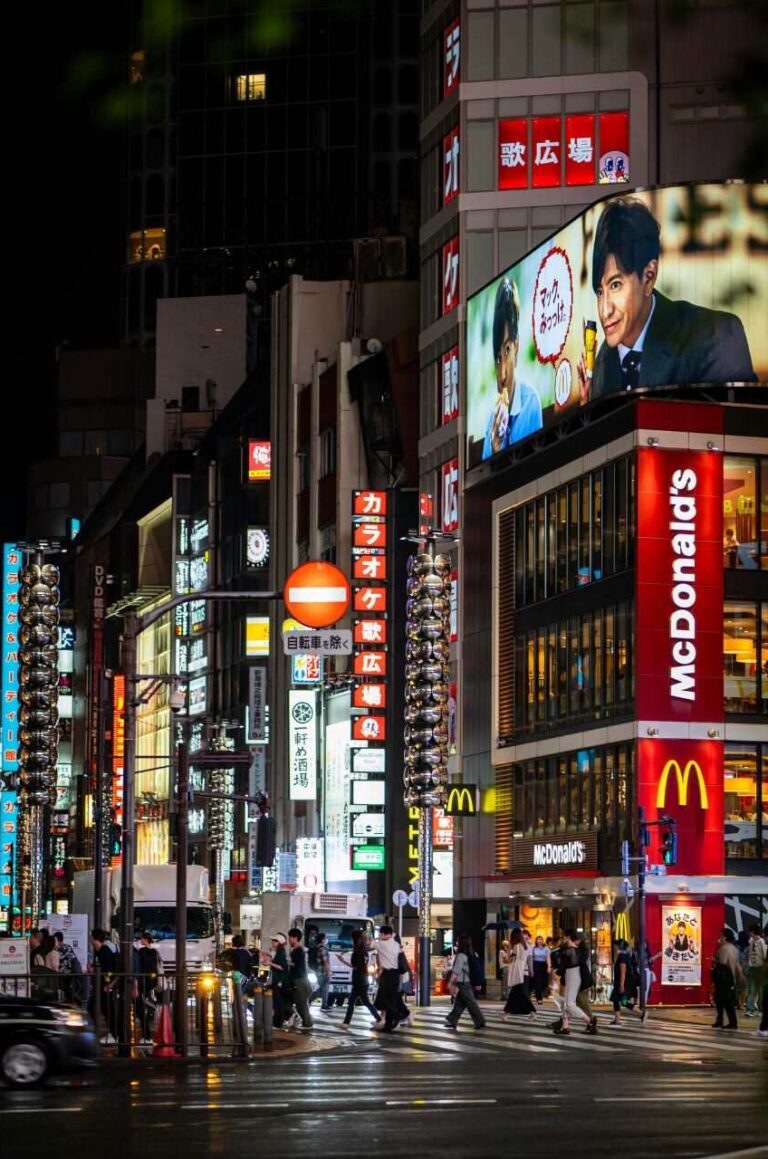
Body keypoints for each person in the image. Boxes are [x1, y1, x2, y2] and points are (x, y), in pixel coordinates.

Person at [578, 196, 755, 404]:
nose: (604, 310)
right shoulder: (603, 361)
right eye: (600, 291)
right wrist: (587, 410)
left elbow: (739, 426)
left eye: (616, 285)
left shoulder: (718, 337)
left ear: (648, 276)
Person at [482, 278, 542, 460]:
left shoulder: (531, 403)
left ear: (517, 346)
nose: (502, 375)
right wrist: (494, 449)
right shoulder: (492, 422)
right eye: (497, 359)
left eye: (507, 350)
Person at [338, 928, 383, 1030]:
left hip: (359, 980)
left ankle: (346, 1023)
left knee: (352, 1002)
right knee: (364, 1002)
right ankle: (379, 1019)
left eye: (352, 939)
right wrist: (342, 960)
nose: (351, 941)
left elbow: (355, 966)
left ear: (355, 939)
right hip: (363, 979)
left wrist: (343, 960)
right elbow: (356, 966)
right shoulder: (363, 951)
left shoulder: (358, 952)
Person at [554, 929, 595, 1037]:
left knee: (570, 1004)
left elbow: (564, 965)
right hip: (572, 975)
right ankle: (565, 1026)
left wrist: (557, 974)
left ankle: (589, 1021)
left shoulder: (571, 950)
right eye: (579, 940)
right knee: (566, 1003)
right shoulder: (573, 949)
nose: (580, 942)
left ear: (570, 938)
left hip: (572, 975)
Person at [444, 934, 486, 1031]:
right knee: (460, 1003)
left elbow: (456, 972)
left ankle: (480, 1021)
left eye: (458, 942)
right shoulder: (472, 954)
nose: (457, 944)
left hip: (464, 983)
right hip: (469, 982)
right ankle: (452, 1020)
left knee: (471, 1003)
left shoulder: (460, 956)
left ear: (461, 944)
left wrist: (451, 983)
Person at [89, 928, 119, 1043]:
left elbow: (110, 971)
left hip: (105, 988)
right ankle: (93, 1033)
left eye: (92, 937)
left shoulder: (105, 951)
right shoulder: (99, 951)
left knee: (108, 1011)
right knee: (92, 1009)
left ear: (95, 939)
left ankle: (115, 1035)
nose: (90, 939)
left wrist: (109, 985)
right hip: (99, 987)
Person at [712, 927, 744, 1030]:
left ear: (725, 937)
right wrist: (741, 975)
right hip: (731, 978)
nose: (719, 938)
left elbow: (723, 962)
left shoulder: (724, 948)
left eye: (721, 935)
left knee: (723, 1001)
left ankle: (729, 1022)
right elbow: (737, 964)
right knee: (725, 1001)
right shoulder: (734, 948)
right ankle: (723, 1020)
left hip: (723, 978)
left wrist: (714, 960)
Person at [373, 924, 403, 1032]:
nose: (380, 935)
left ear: (383, 934)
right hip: (395, 974)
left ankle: (396, 1013)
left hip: (386, 974)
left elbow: (368, 943)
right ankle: (388, 1026)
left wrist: (378, 938)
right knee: (391, 999)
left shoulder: (381, 944)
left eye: (381, 934)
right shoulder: (396, 944)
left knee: (381, 999)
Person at [502, 929, 536, 1020]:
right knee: (517, 993)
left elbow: (511, 960)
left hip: (519, 973)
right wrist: (531, 970)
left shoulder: (516, 946)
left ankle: (506, 1013)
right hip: (524, 972)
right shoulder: (526, 946)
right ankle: (506, 1013)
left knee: (520, 993)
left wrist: (508, 953)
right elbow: (529, 959)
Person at [136, 932, 163, 1044]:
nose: (140, 940)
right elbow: (158, 967)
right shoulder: (155, 952)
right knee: (147, 1001)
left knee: (140, 1005)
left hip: (142, 981)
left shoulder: (141, 951)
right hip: (151, 981)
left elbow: (139, 965)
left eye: (141, 938)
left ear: (145, 939)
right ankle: (150, 1011)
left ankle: (146, 1036)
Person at [286, 928, 313, 1029]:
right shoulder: (298, 950)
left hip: (299, 980)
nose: (289, 941)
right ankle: (306, 1022)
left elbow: (297, 965)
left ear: (295, 938)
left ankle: (308, 1023)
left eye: (290, 938)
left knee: (301, 1003)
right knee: (299, 1003)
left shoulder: (299, 950)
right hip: (298, 979)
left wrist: (287, 962)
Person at [261, 933, 289, 1029]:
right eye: (273, 940)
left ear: (280, 942)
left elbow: (282, 967)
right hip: (277, 980)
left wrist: (269, 963)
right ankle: (277, 1021)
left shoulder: (281, 952)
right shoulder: (279, 951)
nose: (273, 942)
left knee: (278, 1003)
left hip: (279, 981)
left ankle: (278, 1022)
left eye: (275, 940)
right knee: (276, 1002)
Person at [608, 938, 636, 1027]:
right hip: (621, 983)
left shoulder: (622, 957)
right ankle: (641, 1014)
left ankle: (617, 1020)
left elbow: (623, 971)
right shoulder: (625, 956)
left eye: (616, 946)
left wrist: (621, 985)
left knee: (616, 1000)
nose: (614, 948)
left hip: (621, 983)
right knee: (623, 1002)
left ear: (619, 947)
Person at [54, 930, 85, 1004]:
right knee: (68, 990)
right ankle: (76, 1000)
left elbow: (59, 965)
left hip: (66, 974)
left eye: (54, 940)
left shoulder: (58, 950)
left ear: (58, 940)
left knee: (66, 989)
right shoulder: (68, 946)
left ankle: (75, 1000)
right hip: (73, 973)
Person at [745, 923, 766, 1018]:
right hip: (752, 968)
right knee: (751, 990)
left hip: (761, 968)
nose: (750, 933)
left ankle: (761, 1009)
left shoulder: (761, 941)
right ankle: (750, 1009)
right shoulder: (751, 941)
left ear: (754, 932)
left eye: (751, 931)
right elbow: (749, 954)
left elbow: (764, 954)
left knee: (761, 990)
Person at [314, 932, 332, 1010]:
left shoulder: (317, 948)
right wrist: (328, 972)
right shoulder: (323, 948)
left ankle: (324, 1004)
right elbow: (325, 962)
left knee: (321, 988)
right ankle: (324, 1004)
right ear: (323, 939)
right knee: (323, 988)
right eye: (325, 938)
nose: (326, 939)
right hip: (323, 972)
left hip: (318, 971)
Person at [531, 935, 550, 1004]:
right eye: (538, 939)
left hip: (544, 965)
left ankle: (541, 993)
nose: (539, 940)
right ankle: (539, 998)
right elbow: (531, 958)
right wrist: (531, 968)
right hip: (535, 965)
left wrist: (549, 966)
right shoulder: (533, 948)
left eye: (541, 939)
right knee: (537, 982)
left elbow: (548, 958)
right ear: (536, 941)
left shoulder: (546, 949)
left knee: (544, 982)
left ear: (542, 941)